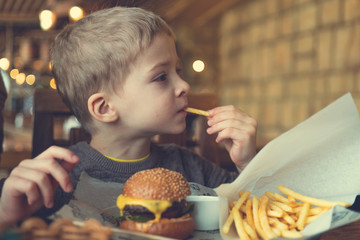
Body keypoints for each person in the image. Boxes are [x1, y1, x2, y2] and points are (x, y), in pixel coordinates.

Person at [0, 6, 257, 223]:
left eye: (177, 71)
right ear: (105, 108)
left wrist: (247, 163)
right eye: (161, 77)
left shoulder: (191, 167)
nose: (184, 86)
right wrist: (6, 214)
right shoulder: (57, 180)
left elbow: (254, 210)